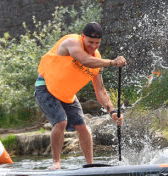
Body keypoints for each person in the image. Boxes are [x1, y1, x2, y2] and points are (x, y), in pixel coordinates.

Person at [34, 22, 125, 170]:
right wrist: (113, 63)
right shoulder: (72, 42)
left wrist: (112, 112)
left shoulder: (98, 61)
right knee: (61, 122)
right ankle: (56, 163)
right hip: (45, 87)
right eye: (90, 42)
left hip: (67, 94)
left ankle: (90, 165)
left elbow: (100, 91)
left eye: (97, 43)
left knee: (82, 127)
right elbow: (84, 60)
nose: (93, 46)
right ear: (83, 37)